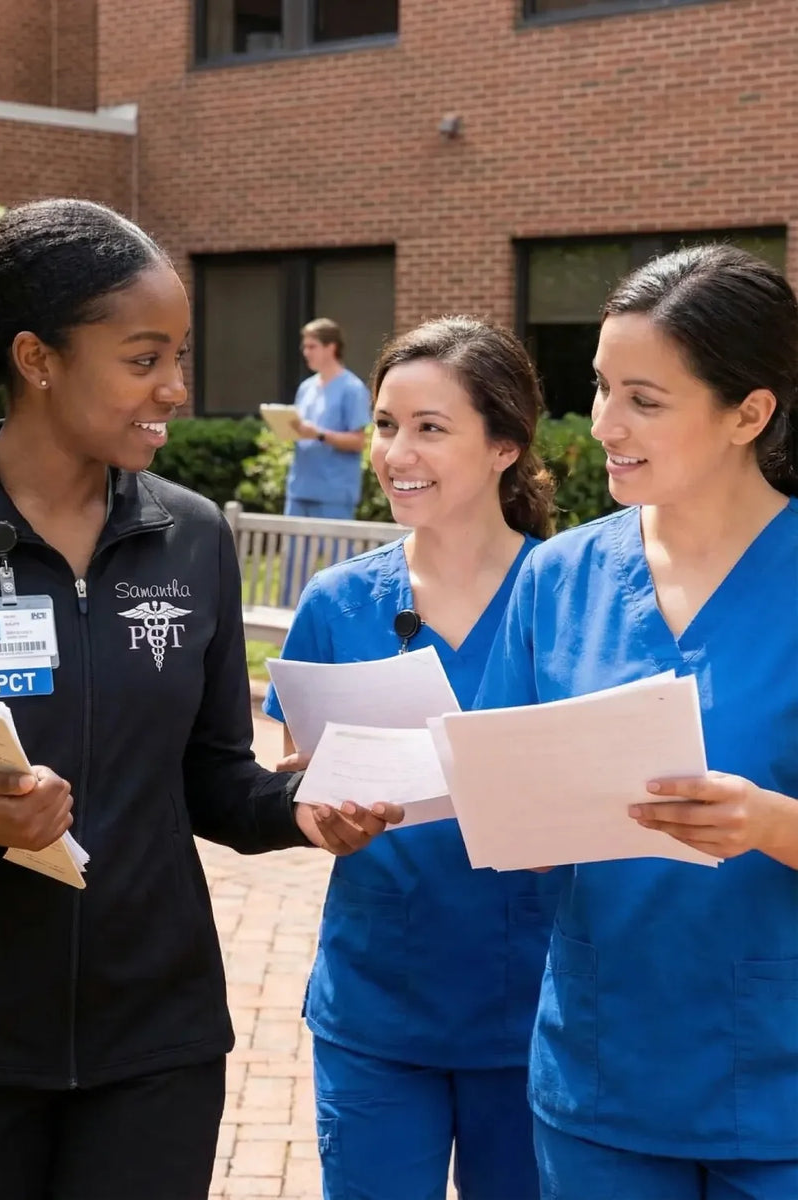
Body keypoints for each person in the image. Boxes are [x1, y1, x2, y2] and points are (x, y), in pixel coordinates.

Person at [0, 198, 401, 1200]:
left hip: (156, 1038)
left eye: (180, 355)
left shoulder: (193, 535)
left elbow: (213, 777)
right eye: (143, 358)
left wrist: (299, 806)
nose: (176, 387)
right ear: (38, 359)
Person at [477, 244, 798, 1199]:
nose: (603, 424)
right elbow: (500, 787)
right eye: (601, 386)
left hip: (779, 1090)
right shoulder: (556, 575)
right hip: (601, 1078)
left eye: (645, 400)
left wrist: (770, 823)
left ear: (749, 414)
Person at [264, 318, 563, 1200]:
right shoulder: (336, 603)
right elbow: (301, 776)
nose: (397, 453)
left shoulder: (572, 594)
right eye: (387, 425)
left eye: (431, 428)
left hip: (534, 1009)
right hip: (377, 1009)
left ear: (505, 444)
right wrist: (317, 807)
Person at [285, 317, 373, 520]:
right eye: (304, 346)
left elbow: (359, 442)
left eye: (312, 346)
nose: (305, 352)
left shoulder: (352, 389)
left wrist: (319, 434)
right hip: (299, 490)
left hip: (333, 494)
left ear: (331, 347)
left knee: (335, 544)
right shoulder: (306, 388)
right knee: (292, 544)